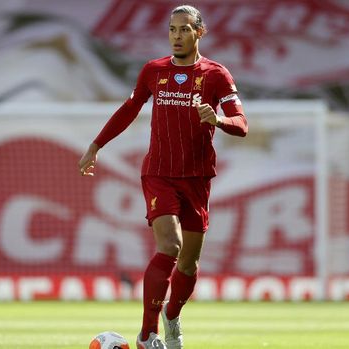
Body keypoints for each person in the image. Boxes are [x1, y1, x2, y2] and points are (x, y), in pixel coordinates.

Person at [78, 5, 248, 349]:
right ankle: (146, 334)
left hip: (197, 178)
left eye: (184, 29)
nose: (176, 36)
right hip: (158, 172)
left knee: (189, 263)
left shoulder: (216, 75)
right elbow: (129, 109)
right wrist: (95, 145)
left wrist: (217, 121)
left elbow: (242, 124)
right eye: (172, 29)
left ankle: (172, 315)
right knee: (170, 246)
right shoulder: (153, 71)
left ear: (199, 33)